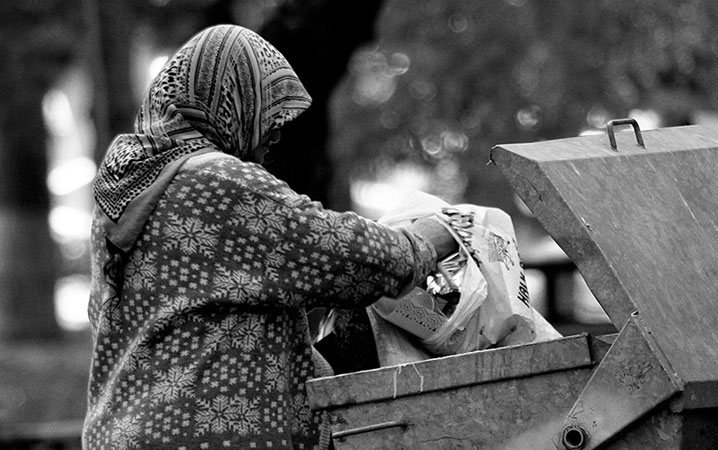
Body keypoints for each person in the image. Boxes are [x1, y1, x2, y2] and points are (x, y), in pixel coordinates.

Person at [82, 24, 456, 450]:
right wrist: (429, 240)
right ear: (228, 102)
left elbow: (195, 303)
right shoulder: (217, 181)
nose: (275, 134)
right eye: (267, 113)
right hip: (207, 436)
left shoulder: (127, 188)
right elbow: (348, 256)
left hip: (126, 430)